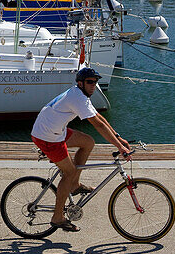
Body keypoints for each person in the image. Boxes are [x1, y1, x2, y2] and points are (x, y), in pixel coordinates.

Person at [30, 67, 131, 232]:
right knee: (68, 172)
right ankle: (57, 218)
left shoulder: (80, 94)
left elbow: (98, 117)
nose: (93, 85)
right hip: (46, 136)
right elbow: (97, 124)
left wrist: (118, 138)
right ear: (80, 83)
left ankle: (74, 186)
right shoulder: (77, 97)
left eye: (95, 82)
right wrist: (120, 147)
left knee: (88, 142)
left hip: (56, 130)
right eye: (90, 82)